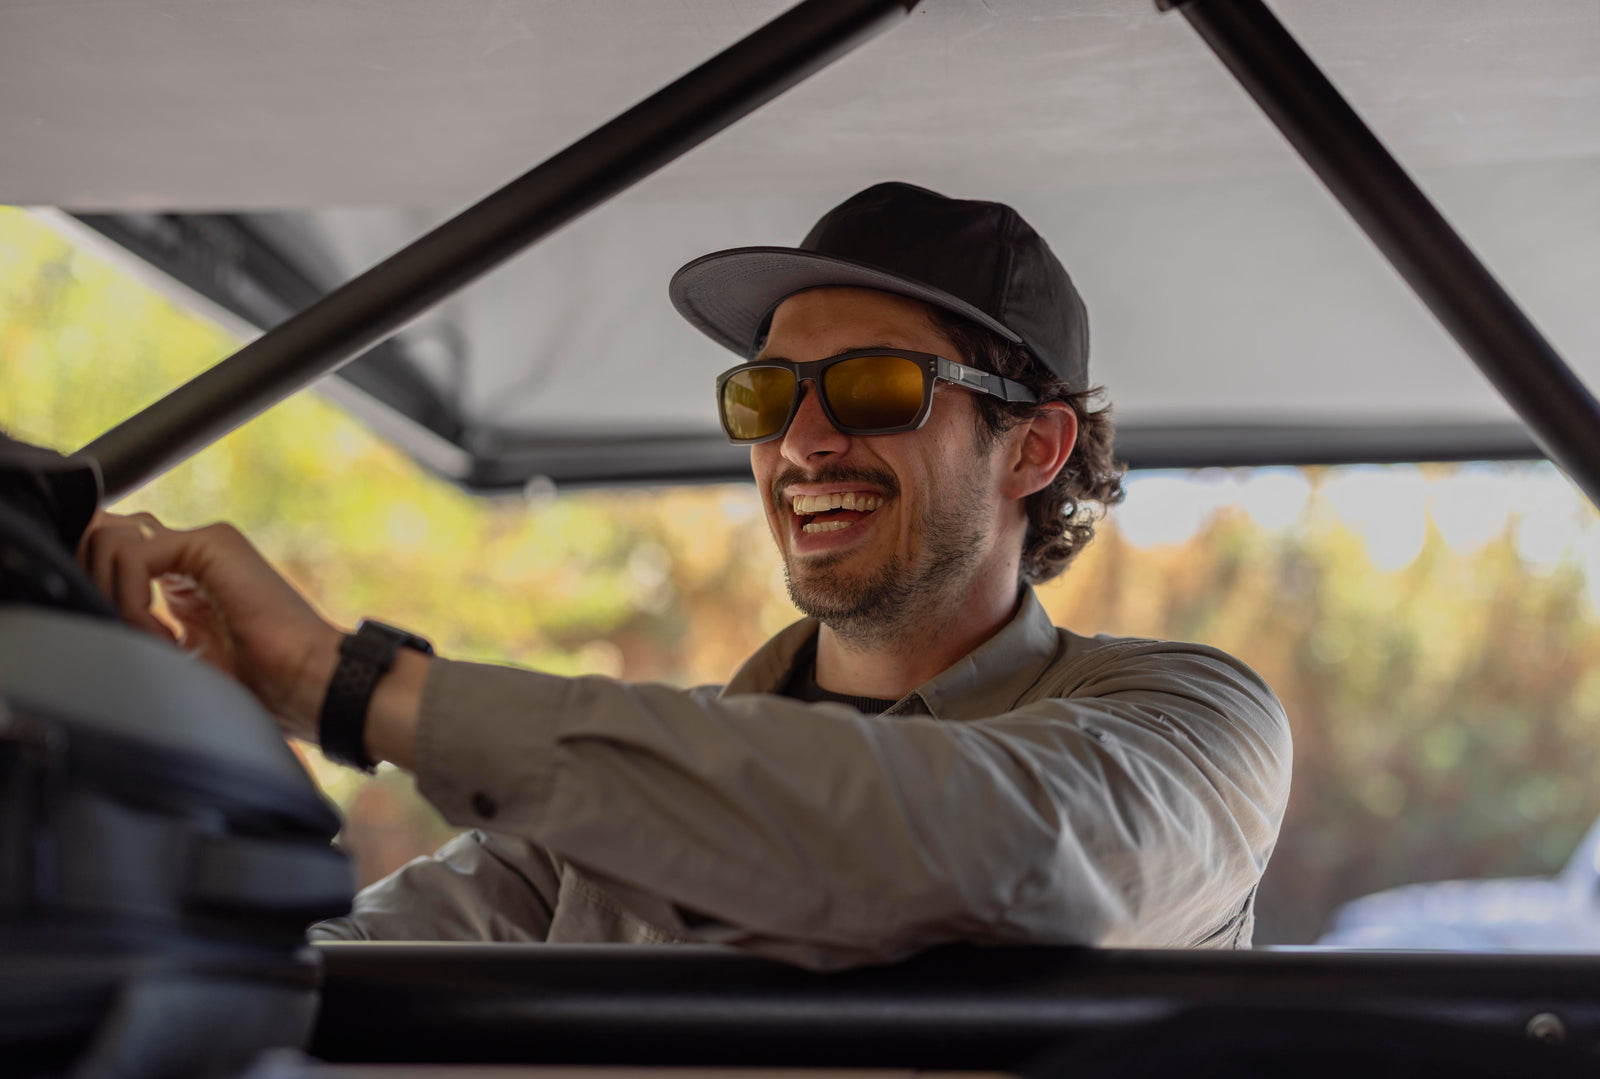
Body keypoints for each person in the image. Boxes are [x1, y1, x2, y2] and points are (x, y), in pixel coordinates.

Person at [81, 182, 1290, 969]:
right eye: (766, 393)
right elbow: (316, 977)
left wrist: (343, 683)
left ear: (1036, 446)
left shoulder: (1194, 725)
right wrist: (155, 745)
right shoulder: (600, 808)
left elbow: (986, 854)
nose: (803, 442)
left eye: (875, 386)